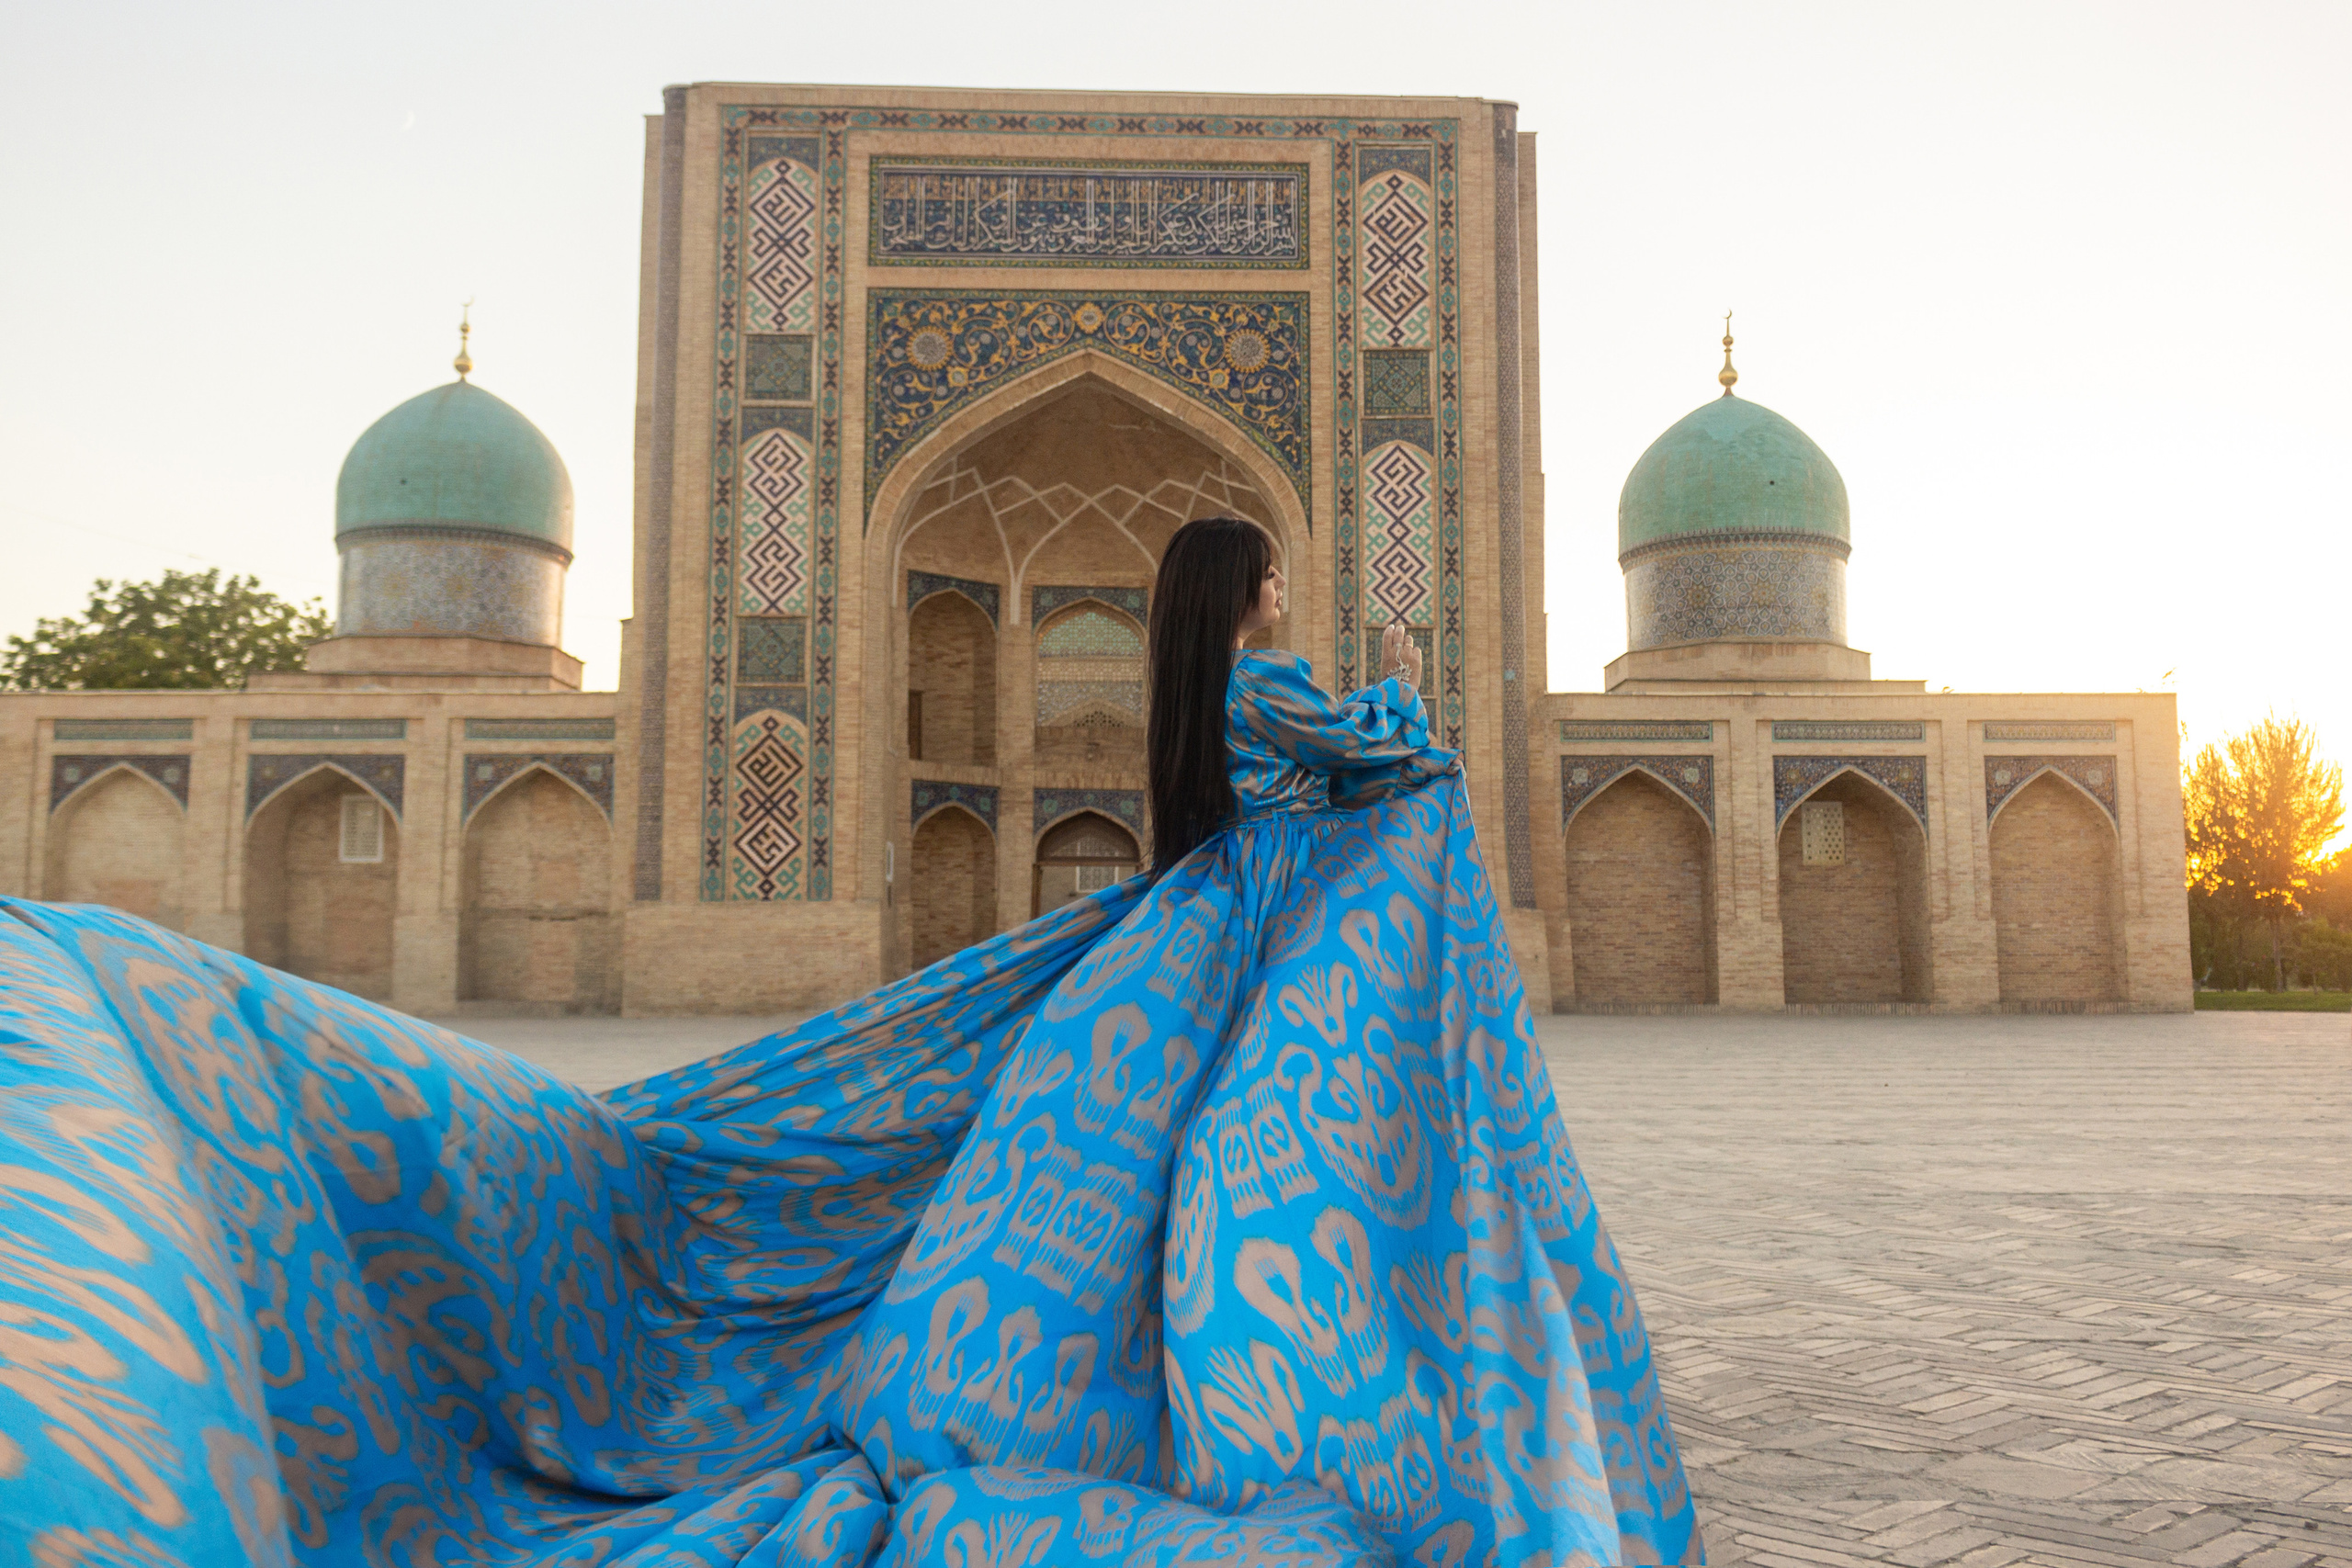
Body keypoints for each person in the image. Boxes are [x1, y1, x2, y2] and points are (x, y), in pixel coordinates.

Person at [0, 515, 1701, 1565]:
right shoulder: (1273, 689)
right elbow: (1400, 767)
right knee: (1232, 1188)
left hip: (1191, 946)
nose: (1275, 586)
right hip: (1249, 947)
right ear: (1237, 590)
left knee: (1117, 1170)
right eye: (1264, 572)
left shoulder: (1212, 706)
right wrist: (1400, 669)